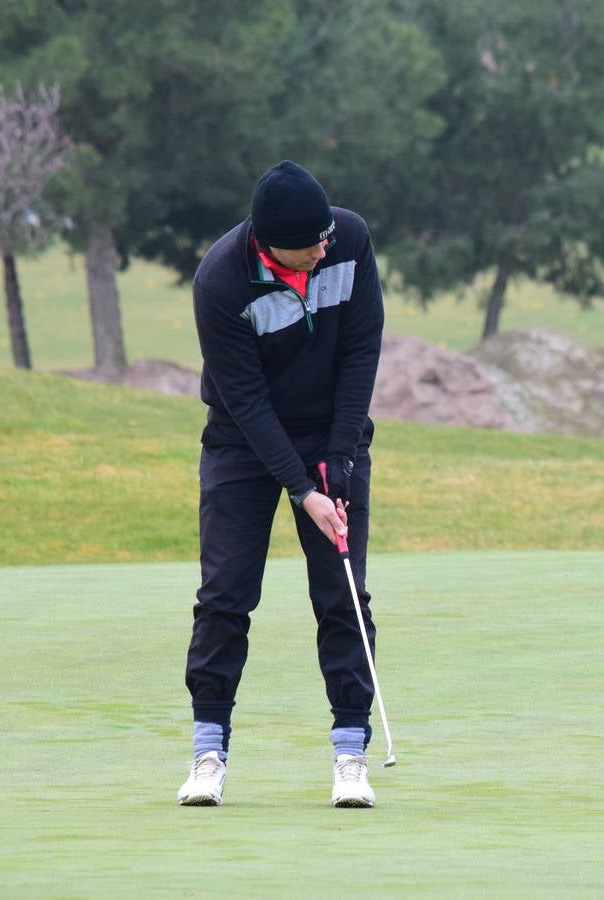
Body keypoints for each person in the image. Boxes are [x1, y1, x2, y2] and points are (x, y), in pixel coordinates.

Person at [179, 160, 384, 808]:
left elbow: (361, 350)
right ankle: (208, 752)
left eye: (327, 234)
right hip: (244, 440)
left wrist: (340, 463)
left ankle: (350, 754)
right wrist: (301, 489)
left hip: (332, 434)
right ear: (270, 245)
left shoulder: (348, 243)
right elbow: (245, 399)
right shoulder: (221, 280)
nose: (326, 247)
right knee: (226, 593)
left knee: (342, 593)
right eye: (311, 243)